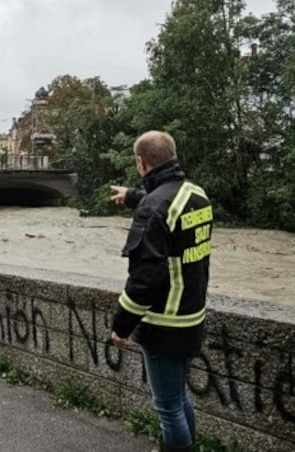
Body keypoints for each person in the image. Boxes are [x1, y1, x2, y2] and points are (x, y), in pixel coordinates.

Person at [109, 131, 212, 452]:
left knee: (168, 407)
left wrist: (121, 326)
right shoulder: (196, 194)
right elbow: (169, 212)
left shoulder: (153, 210)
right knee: (179, 399)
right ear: (172, 155)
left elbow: (145, 280)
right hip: (192, 317)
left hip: (165, 323)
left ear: (141, 163)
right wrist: (134, 196)